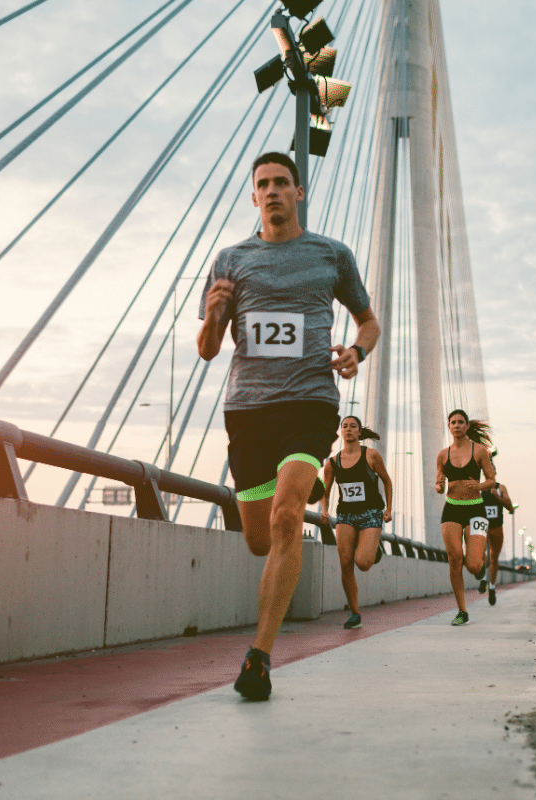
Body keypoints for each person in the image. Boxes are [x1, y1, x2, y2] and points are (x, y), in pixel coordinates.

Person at [197, 151, 380, 701]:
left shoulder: (331, 254)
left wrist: (356, 353)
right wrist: (214, 314)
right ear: (254, 197)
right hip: (248, 410)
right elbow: (207, 350)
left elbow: (368, 322)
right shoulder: (231, 260)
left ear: (299, 192)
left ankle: (259, 657)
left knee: (285, 517)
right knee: (259, 540)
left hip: (309, 403)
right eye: (264, 184)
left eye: (282, 182)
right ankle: (299, 480)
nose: (273, 190)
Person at [320, 416, 393, 630]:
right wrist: (324, 510)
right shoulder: (333, 462)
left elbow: (386, 481)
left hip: (371, 513)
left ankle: (374, 548)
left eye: (353, 426)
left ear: (359, 432)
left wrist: (389, 509)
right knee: (345, 562)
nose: (349, 429)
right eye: (345, 426)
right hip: (346, 515)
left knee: (362, 562)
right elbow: (325, 491)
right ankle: (355, 613)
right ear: (341, 432)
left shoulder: (371, 455)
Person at [434, 409, 495, 626]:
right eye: (453, 422)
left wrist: (479, 486)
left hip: (475, 508)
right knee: (454, 559)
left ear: (467, 426)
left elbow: (491, 480)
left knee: (472, 565)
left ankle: (481, 563)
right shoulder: (443, 454)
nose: (457, 425)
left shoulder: (480, 451)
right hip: (452, 509)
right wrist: (439, 485)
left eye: (461, 422)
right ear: (449, 427)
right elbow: (439, 484)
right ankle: (462, 610)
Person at [479, 455, 515, 606]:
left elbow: (511, 508)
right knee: (480, 554)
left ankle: (492, 587)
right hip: (482, 527)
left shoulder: (501, 488)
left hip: (496, 527)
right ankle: (483, 579)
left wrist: (497, 497)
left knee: (494, 558)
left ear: (495, 472)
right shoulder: (479, 489)